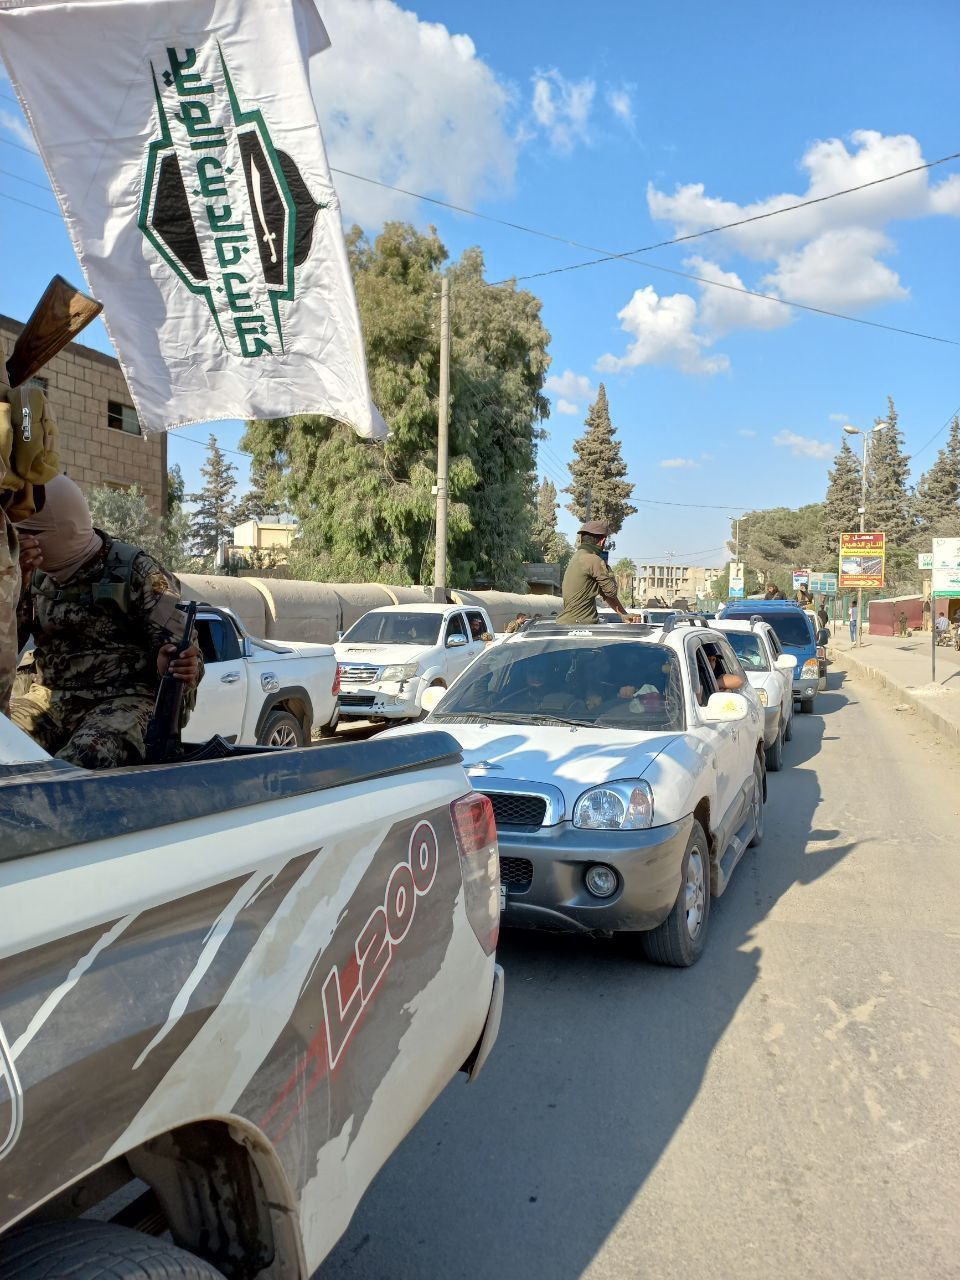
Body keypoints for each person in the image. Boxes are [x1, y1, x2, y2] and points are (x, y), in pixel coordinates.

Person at [11, 474, 202, 769]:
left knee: (88, 757)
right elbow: (7, 642)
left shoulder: (138, 572)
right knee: (5, 744)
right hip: (48, 696)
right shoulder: (29, 576)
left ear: (67, 531)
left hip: (124, 699)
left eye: (28, 532)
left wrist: (176, 663)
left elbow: (187, 655)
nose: (18, 542)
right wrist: (14, 581)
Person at [557, 520, 633, 625]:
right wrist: (607, 568)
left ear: (581, 539)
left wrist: (623, 615)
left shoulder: (578, 557)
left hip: (569, 623)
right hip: (581, 626)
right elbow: (611, 591)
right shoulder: (593, 560)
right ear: (602, 541)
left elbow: (606, 594)